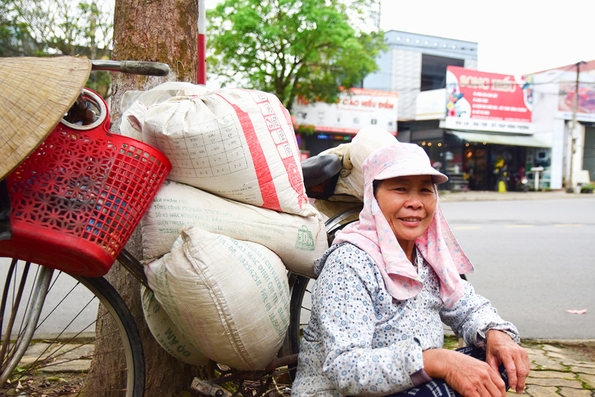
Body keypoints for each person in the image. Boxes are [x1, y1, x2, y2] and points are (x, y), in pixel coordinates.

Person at [292, 142, 529, 397]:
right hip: (343, 393)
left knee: (496, 361)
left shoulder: (428, 256)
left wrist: (495, 333)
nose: (415, 202)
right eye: (400, 189)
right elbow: (346, 370)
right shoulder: (349, 264)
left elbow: (466, 306)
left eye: (425, 190)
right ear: (373, 197)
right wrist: (438, 362)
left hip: (409, 382)